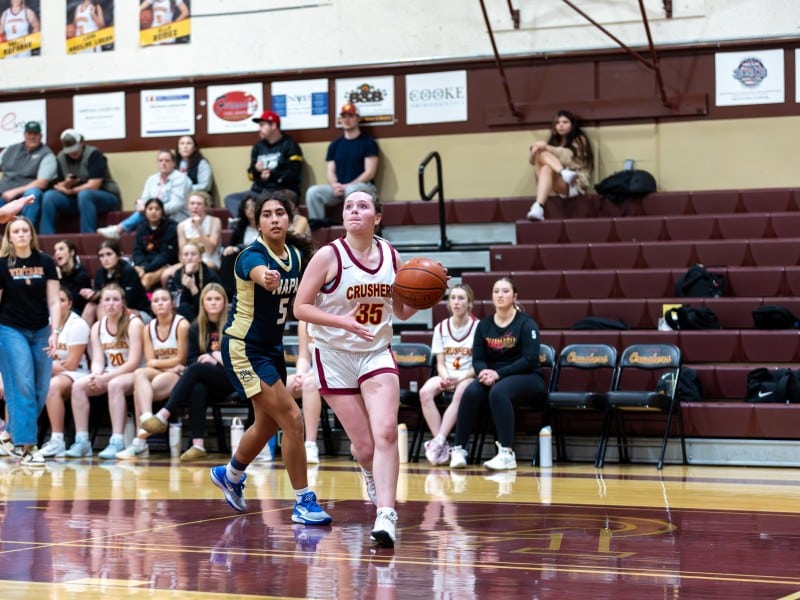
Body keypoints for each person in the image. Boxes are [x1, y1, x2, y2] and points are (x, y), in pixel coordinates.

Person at [293, 185, 422, 547]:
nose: (353, 211)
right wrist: (343, 322)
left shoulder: (391, 256)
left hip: (376, 352)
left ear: (376, 217)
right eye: (348, 206)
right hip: (333, 354)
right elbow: (300, 308)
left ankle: (386, 514)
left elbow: (401, 311)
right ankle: (368, 469)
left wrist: (425, 296)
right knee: (364, 446)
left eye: (362, 206)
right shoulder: (328, 257)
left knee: (385, 432)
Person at [210, 191, 332, 526]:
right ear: (257, 222)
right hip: (243, 348)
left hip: (271, 349)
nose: (274, 219)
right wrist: (266, 277)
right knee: (292, 419)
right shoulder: (251, 256)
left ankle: (230, 474)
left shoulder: (296, 255)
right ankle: (303, 501)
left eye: (280, 213)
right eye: (267, 214)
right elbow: (257, 272)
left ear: (289, 219)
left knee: (266, 423)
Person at [449, 276, 545, 470]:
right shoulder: (484, 325)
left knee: (499, 392)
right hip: (493, 375)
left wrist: (498, 374)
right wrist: (483, 371)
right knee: (471, 391)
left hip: (528, 376)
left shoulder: (526, 324)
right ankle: (459, 449)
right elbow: (477, 358)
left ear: (515, 296)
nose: (500, 295)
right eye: (496, 291)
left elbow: (530, 359)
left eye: (505, 291)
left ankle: (506, 453)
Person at [140, 283, 231, 462]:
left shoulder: (233, 325)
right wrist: (207, 359)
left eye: (217, 299)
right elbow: (191, 358)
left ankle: (163, 415)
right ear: (203, 303)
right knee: (197, 387)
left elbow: (242, 358)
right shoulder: (196, 327)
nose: (213, 303)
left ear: (224, 302)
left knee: (196, 370)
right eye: (209, 299)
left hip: (232, 379)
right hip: (209, 379)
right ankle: (198, 444)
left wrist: (216, 357)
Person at [0, 216, 61, 461]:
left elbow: (55, 301)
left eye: (26, 230)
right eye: (17, 231)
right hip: (10, 329)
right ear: (10, 237)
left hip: (41, 331)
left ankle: (10, 434)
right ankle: (28, 446)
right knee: (23, 383)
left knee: (40, 388)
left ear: (31, 234)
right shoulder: (2, 264)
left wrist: (55, 331)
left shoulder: (46, 261)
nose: (22, 234)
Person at [65, 283, 144, 459]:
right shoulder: (97, 327)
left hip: (136, 374)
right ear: (101, 303)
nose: (111, 304)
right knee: (78, 386)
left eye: (115, 300)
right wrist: (95, 374)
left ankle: (117, 441)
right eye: (107, 299)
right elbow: (99, 360)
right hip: (111, 372)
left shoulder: (134, 323)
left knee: (114, 385)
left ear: (123, 303)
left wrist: (106, 377)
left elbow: (133, 362)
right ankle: (82, 441)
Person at [116, 288, 188, 459]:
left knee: (140, 391)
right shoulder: (148, 328)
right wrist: (167, 365)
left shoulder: (182, 324)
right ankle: (148, 418)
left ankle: (139, 443)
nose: (160, 303)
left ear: (172, 304)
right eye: (156, 300)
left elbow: (182, 359)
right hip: (164, 371)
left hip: (180, 374)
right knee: (140, 373)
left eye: (164, 299)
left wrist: (162, 364)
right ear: (152, 306)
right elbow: (149, 361)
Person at [419, 283, 478, 466]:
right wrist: (445, 377)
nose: (456, 302)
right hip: (448, 374)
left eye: (461, 298)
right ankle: (442, 444)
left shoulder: (478, 327)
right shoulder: (441, 328)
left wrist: (459, 379)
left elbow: (478, 364)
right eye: (453, 298)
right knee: (424, 392)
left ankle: (439, 440)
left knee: (460, 392)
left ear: (469, 303)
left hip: (468, 376)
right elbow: (440, 363)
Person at [30, 287, 91, 463]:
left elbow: (71, 363)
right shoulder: (45, 323)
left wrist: (42, 367)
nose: (58, 305)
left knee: (52, 386)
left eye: (62, 300)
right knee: (20, 383)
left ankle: (57, 440)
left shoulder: (77, 324)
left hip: (79, 373)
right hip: (56, 371)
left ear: (70, 304)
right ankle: (12, 436)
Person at [305, 102, 379, 226]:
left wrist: (347, 186)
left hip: (363, 187)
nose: (347, 119)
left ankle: (352, 226)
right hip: (340, 189)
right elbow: (330, 171)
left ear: (358, 118)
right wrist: (335, 185)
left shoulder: (368, 142)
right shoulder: (335, 144)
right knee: (313, 192)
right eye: (344, 116)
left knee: (351, 189)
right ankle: (317, 226)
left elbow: (370, 172)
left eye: (350, 116)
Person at [39, 129, 122, 234]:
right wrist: (67, 184)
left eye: (75, 148)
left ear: (82, 143)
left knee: (85, 195)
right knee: (49, 196)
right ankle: (46, 238)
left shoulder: (94, 154)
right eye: (69, 150)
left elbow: (94, 185)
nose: (73, 152)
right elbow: (59, 185)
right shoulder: (61, 157)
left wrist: (72, 191)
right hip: (75, 199)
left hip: (104, 197)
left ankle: (87, 236)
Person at [223, 111, 304, 218]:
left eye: (262, 125)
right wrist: (256, 170)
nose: (259, 129)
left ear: (274, 125)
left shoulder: (290, 145)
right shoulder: (258, 147)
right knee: (230, 199)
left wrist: (272, 175)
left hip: (283, 190)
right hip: (260, 191)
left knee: (278, 201)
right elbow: (250, 175)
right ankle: (246, 223)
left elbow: (294, 173)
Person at [97, 149, 191, 239]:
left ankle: (119, 229)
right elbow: (145, 198)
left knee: (146, 213)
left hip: (175, 216)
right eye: (160, 160)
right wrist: (141, 204)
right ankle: (120, 229)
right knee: (144, 213)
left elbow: (175, 205)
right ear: (157, 163)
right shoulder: (152, 179)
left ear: (173, 163)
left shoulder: (181, 179)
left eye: (167, 160)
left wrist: (153, 210)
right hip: (153, 217)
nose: (163, 163)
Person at [526, 109, 593, 221]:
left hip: (574, 184)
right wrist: (534, 150)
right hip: (559, 182)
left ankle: (539, 205)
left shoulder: (580, 140)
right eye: (557, 123)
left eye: (565, 122)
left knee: (543, 155)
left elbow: (568, 157)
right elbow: (533, 162)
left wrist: (545, 147)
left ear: (572, 124)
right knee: (544, 164)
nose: (560, 125)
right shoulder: (554, 142)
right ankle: (539, 207)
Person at [81, 239, 150, 326]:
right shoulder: (100, 273)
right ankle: (83, 337)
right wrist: (92, 295)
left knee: (103, 307)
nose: (105, 259)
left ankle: (107, 337)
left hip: (138, 312)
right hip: (113, 308)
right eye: (101, 256)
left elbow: (127, 301)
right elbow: (99, 296)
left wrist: (100, 295)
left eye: (109, 254)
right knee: (90, 306)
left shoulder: (128, 271)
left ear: (118, 255)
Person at [0, 121, 56, 226]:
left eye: (35, 134)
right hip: (3, 194)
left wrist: (14, 191)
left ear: (41, 136)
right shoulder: (10, 149)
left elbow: (41, 182)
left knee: (33, 194)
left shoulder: (47, 155)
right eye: (30, 133)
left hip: (24, 195)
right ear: (24, 134)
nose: (32, 137)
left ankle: (25, 228)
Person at [285, 320, 324, 464]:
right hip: (313, 372)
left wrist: (308, 377)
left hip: (334, 372)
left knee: (309, 384)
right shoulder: (304, 320)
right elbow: (304, 356)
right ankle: (264, 444)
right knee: (275, 386)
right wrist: (300, 373)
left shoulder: (335, 310)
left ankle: (310, 444)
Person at [165, 240, 220, 321]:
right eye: (186, 255)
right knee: (184, 308)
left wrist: (193, 288)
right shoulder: (178, 274)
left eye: (193, 254)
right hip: (185, 313)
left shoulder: (210, 275)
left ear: (200, 258)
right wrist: (187, 276)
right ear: (181, 258)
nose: (189, 257)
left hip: (206, 312)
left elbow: (209, 304)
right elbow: (179, 303)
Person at [131, 198, 179, 291]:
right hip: (144, 264)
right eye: (150, 209)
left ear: (162, 212)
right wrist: (143, 266)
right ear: (145, 211)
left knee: (147, 278)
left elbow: (165, 255)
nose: (153, 212)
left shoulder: (171, 228)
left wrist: (146, 269)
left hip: (164, 264)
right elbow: (137, 251)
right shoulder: (141, 227)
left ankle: (139, 302)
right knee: (129, 273)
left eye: (157, 209)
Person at [219, 193, 258, 300]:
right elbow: (231, 245)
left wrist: (239, 248)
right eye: (247, 207)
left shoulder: (266, 226)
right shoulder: (241, 227)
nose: (250, 209)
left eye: (253, 206)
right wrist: (230, 248)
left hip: (261, 259)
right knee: (229, 257)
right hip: (242, 260)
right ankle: (227, 293)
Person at [53, 239, 91, 315]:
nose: (57, 253)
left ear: (72, 252)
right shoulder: (56, 272)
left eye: (61, 249)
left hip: (76, 312)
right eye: (55, 250)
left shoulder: (82, 275)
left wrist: (60, 279)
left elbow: (71, 301)